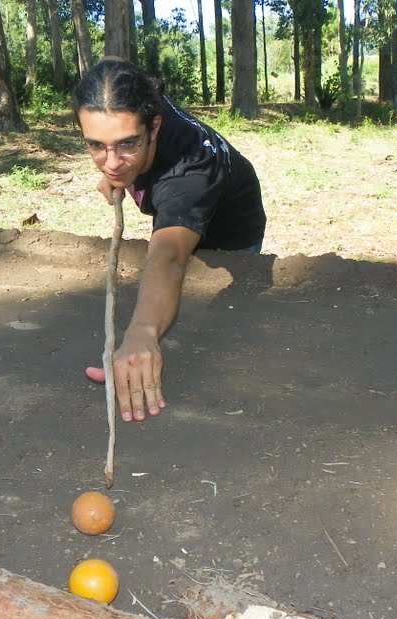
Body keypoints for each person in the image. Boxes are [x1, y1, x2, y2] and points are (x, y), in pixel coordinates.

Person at [72, 59, 266, 422]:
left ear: (155, 126)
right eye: (96, 145)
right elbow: (112, 66)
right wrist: (123, 168)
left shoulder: (188, 172)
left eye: (127, 144)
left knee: (225, 317)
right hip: (177, 198)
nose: (111, 163)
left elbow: (169, 256)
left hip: (232, 235)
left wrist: (141, 335)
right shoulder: (130, 94)